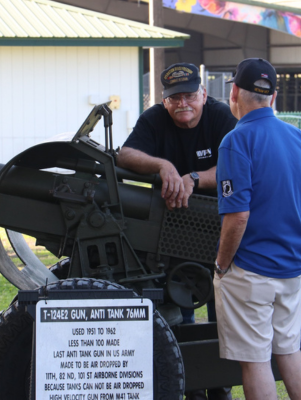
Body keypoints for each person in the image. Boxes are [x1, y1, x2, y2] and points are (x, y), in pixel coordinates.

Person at [117, 62, 236, 400]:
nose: (182, 104)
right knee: (180, 308)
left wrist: (195, 178)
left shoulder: (221, 117)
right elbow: (126, 153)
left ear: (202, 94)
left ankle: (220, 386)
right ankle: (192, 385)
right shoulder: (155, 118)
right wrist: (162, 165)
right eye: (174, 99)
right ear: (164, 101)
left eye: (189, 96)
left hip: (218, 222)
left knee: (220, 312)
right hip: (172, 228)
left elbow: (238, 164)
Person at [214, 58, 301, 400]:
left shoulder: (236, 141)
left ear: (234, 92)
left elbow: (238, 216)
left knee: (256, 361)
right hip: (291, 269)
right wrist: (295, 249)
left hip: (250, 271)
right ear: (273, 97)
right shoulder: (298, 137)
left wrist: (221, 265)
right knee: (289, 351)